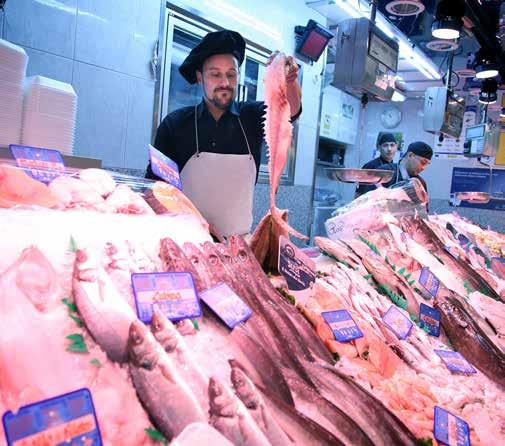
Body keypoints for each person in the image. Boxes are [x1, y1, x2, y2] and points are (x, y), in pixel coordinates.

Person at [146, 30, 302, 237]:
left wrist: (288, 80)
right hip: (186, 241)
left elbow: (290, 110)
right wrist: (196, 225)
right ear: (200, 77)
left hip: (240, 247)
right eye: (215, 74)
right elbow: (155, 190)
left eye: (231, 74)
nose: (225, 83)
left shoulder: (253, 117)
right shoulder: (174, 125)